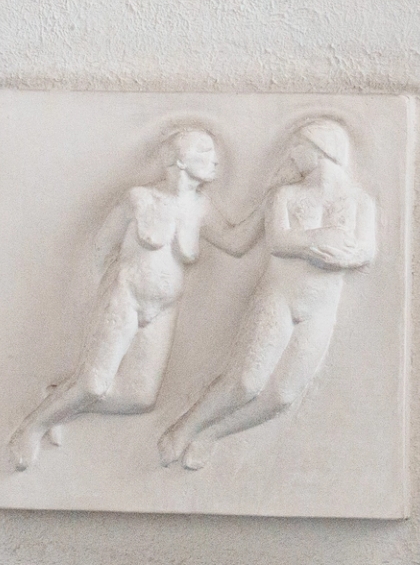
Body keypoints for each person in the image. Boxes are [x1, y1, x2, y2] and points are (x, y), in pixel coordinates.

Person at [157, 116, 375, 470]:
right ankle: (186, 427)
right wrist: (316, 241)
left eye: (298, 149)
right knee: (244, 383)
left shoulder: (359, 201)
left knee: (283, 396)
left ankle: (211, 435)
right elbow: (278, 240)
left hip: (320, 308)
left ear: (319, 151)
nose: (292, 156)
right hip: (279, 299)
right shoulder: (286, 195)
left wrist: (351, 254)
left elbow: (367, 250)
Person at [6, 125, 221, 471]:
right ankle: (33, 426)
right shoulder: (139, 199)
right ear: (180, 161)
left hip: (164, 308)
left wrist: (277, 208)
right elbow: (103, 246)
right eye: (205, 152)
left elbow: (237, 242)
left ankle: (61, 398)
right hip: (126, 293)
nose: (215, 160)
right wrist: (115, 290)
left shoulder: (202, 207)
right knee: (94, 383)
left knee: (139, 397)